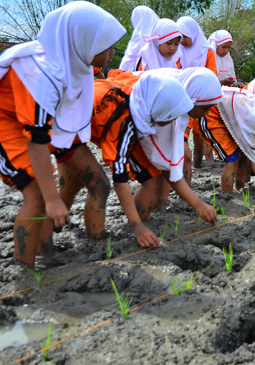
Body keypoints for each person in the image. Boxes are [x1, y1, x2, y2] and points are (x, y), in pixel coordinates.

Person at [0, 1, 126, 268]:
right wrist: (52, 199)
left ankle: (56, 246)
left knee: (97, 180)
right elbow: (36, 139)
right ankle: (24, 270)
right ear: (84, 43)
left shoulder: (75, 61)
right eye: (106, 47)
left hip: (45, 120)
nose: (111, 53)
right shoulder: (41, 73)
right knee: (38, 195)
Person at [59, 70, 201, 249]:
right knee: (98, 185)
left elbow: (115, 74)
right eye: (171, 116)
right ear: (159, 110)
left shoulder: (143, 91)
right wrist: (138, 227)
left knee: (152, 179)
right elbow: (120, 181)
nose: (173, 121)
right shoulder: (123, 122)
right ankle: (94, 244)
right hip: (65, 128)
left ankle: (128, 226)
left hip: (95, 119)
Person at [199, 86, 255, 194]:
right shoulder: (253, 116)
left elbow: (250, 151)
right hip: (210, 114)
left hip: (224, 117)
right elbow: (253, 152)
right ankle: (227, 196)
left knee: (243, 155)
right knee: (231, 158)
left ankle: (239, 189)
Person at [176, 16, 217, 167]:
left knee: (199, 134)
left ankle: (197, 164)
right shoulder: (177, 51)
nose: (182, 41)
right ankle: (183, 164)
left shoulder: (207, 52)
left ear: (193, 33)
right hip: (181, 98)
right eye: (179, 37)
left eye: (185, 37)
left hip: (201, 101)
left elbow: (212, 75)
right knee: (181, 132)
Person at [119, 5, 159, 72]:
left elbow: (130, 57)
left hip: (136, 74)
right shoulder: (158, 36)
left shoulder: (139, 35)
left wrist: (120, 73)